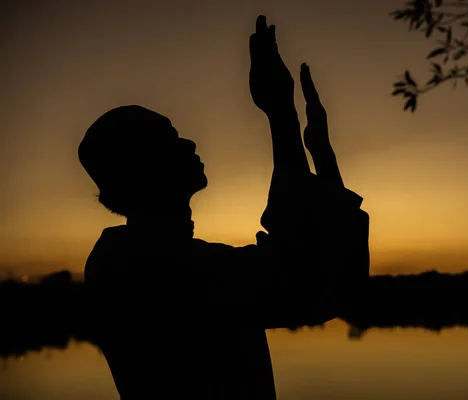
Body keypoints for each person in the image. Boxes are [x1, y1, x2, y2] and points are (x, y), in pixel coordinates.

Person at [81, 15, 369, 399]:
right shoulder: (146, 267)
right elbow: (308, 285)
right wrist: (283, 116)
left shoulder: (135, 258)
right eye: (170, 139)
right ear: (141, 167)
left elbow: (323, 281)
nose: (189, 143)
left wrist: (319, 152)